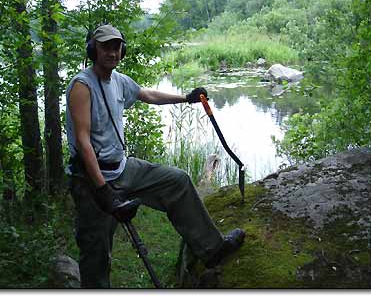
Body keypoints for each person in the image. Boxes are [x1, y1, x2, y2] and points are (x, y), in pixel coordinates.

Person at [66, 24, 245, 288]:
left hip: (123, 168)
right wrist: (103, 190)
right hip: (92, 180)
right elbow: (83, 142)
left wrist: (186, 98)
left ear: (122, 51)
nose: (112, 52)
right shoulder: (82, 86)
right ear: (93, 49)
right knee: (97, 251)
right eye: (105, 46)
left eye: (116, 47)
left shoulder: (119, 81)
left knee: (177, 182)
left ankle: (212, 249)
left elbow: (147, 94)